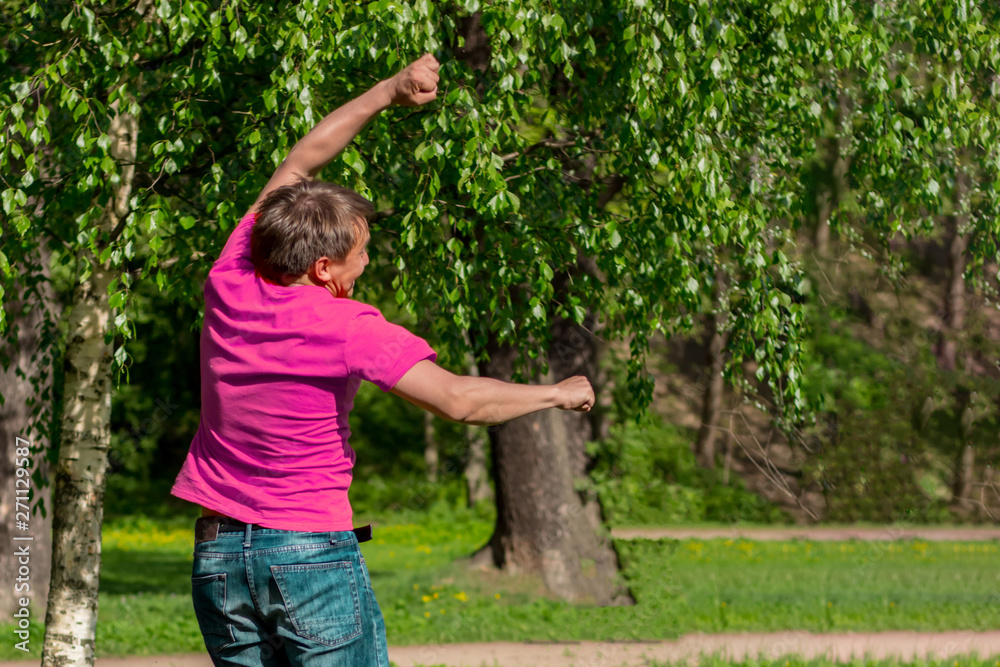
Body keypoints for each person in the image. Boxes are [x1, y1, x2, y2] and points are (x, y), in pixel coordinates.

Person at [169, 54, 595, 667]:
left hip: (217, 557)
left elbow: (300, 160)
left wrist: (388, 91)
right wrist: (555, 394)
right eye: (361, 253)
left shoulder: (231, 276)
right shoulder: (346, 326)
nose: (367, 262)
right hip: (307, 554)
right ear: (323, 269)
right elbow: (458, 401)